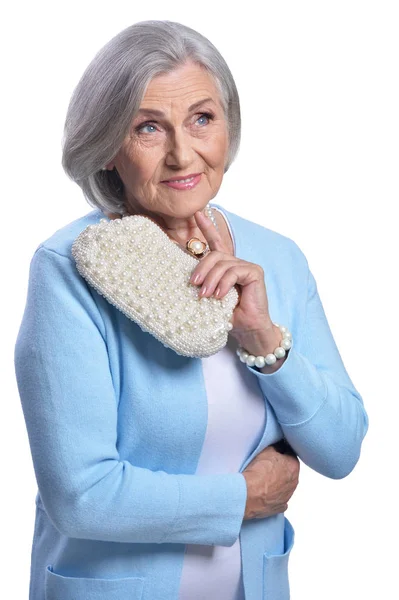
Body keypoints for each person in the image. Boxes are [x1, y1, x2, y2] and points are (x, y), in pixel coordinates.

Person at [14, 20, 369, 600]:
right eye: (148, 128)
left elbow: (342, 448)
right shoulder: (69, 269)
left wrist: (262, 341)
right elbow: (80, 496)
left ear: (229, 125)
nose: (183, 154)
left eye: (202, 119)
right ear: (107, 146)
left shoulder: (276, 258)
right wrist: (242, 498)